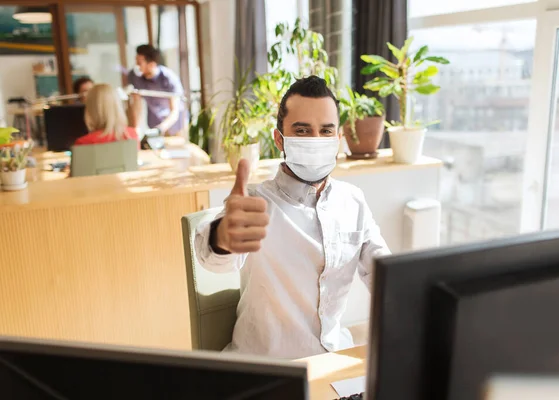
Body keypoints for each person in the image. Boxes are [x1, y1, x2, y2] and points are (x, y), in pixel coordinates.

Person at [194, 76, 390, 359]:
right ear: (279, 139)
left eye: (325, 131)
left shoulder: (353, 201)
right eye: (302, 130)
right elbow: (212, 257)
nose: (315, 140)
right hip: (267, 370)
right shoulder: (254, 203)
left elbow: (385, 272)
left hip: (333, 363)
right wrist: (222, 236)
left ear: (338, 139)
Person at [127, 44, 186, 136]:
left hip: (175, 124)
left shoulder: (168, 78)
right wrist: (135, 129)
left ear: (151, 64)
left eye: (140, 63)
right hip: (154, 122)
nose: (137, 66)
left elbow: (174, 111)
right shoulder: (135, 77)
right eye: (136, 62)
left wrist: (160, 129)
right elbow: (136, 103)